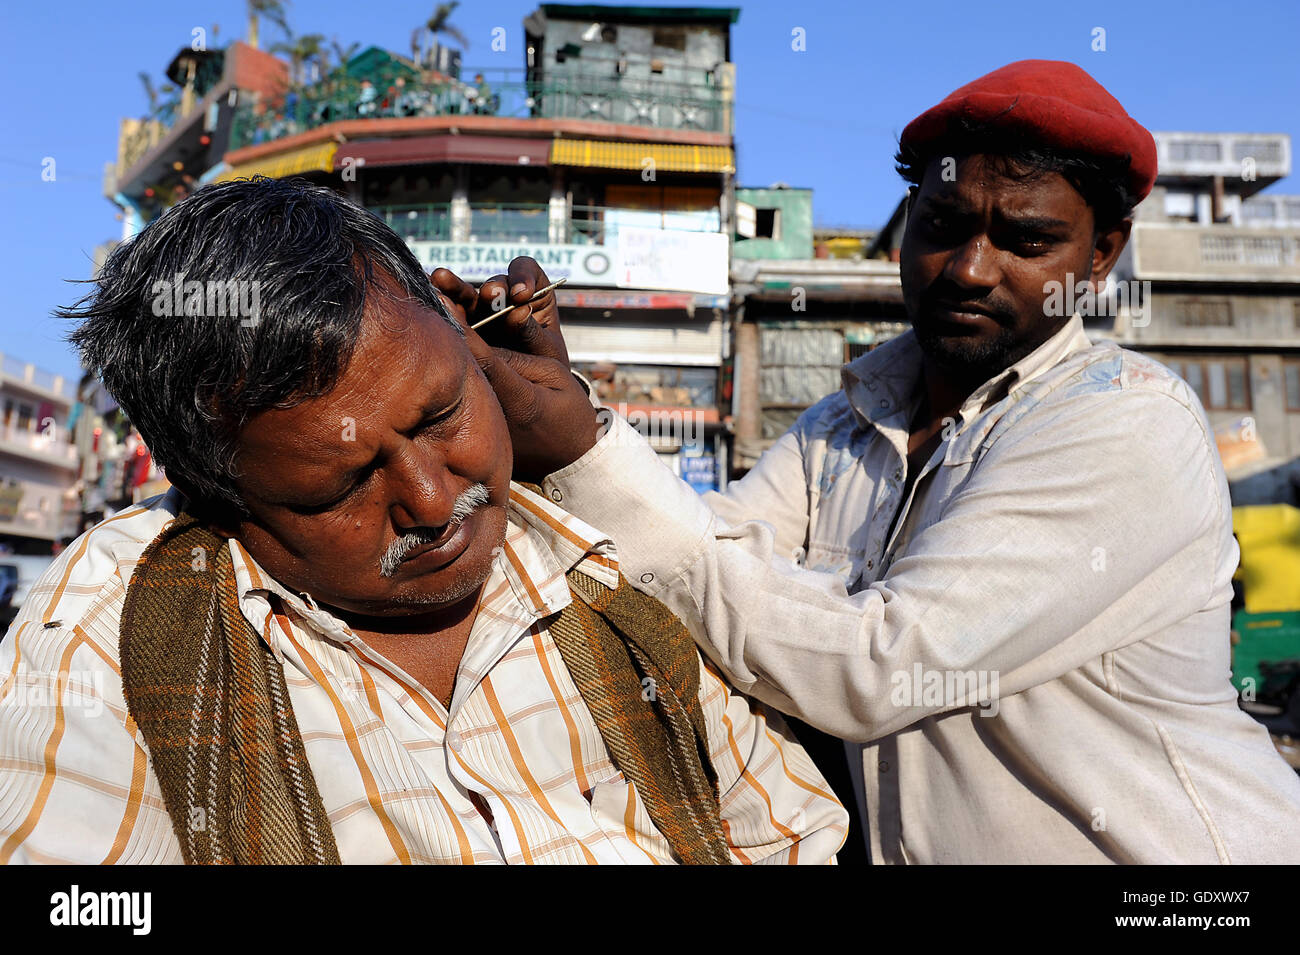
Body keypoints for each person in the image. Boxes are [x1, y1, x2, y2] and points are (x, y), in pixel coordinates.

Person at [469, 60, 1300, 864]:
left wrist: (585, 444)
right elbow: (697, 555)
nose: (972, 269)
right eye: (943, 226)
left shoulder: (1123, 421)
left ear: (1101, 254)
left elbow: (879, 668)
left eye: (1027, 239)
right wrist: (555, 400)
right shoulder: (848, 420)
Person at [0, 177, 846, 865]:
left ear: (467, 344)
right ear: (216, 492)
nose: (434, 502)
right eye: (341, 483)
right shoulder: (108, 636)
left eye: (441, 413)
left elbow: (789, 834)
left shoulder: (606, 568)